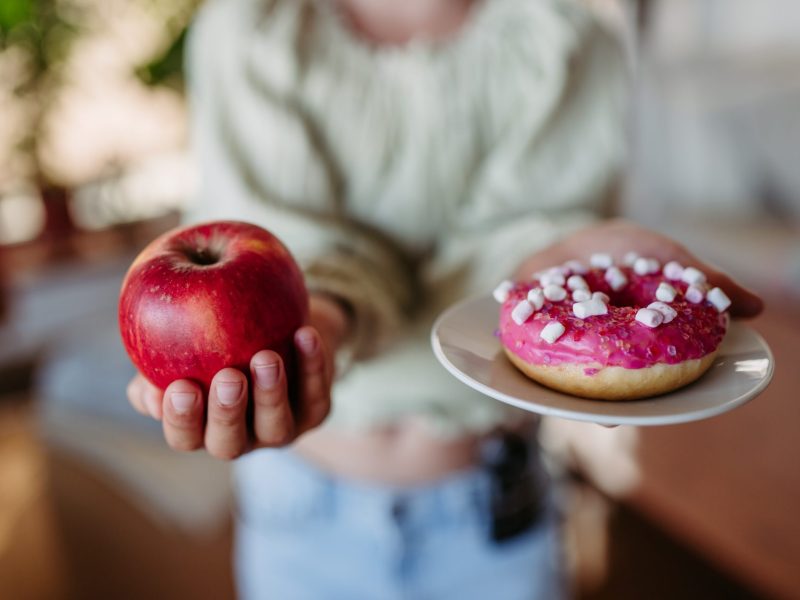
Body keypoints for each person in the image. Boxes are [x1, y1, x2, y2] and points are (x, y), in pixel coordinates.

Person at [126, 0, 764, 598]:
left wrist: (566, 252)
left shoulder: (568, 36)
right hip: (300, 516)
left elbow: (526, 248)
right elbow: (289, 257)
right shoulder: (252, 29)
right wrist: (311, 326)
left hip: (497, 516)